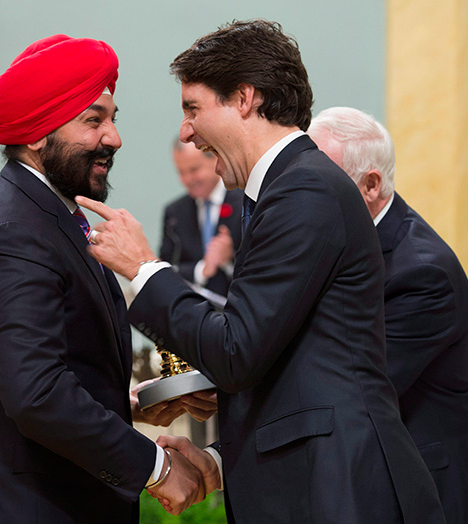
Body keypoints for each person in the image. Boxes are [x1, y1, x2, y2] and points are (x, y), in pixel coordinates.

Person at [77, 19, 446, 523]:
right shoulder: (288, 188)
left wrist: (143, 268)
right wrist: (210, 394)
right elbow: (282, 351)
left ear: (245, 98)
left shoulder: (302, 189)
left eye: (192, 109)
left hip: (339, 490)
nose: (186, 131)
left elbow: (237, 351)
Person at [0, 35, 208, 524]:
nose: (114, 138)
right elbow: (38, 395)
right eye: (93, 121)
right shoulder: (11, 233)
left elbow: (40, 369)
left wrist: (133, 402)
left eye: (113, 118)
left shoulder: (47, 215)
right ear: (38, 134)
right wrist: (159, 467)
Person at [307, 106, 468, 524]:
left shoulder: (422, 271)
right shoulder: (344, 238)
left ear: (371, 184)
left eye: (322, 180)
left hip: (432, 486)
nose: (306, 193)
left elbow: (358, 386)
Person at [160, 139, 242, 298]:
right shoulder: (175, 213)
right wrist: (202, 270)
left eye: (194, 170)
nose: (188, 179)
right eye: (181, 172)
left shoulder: (245, 202)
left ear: (215, 160)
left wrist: (228, 259)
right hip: (193, 309)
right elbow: (166, 270)